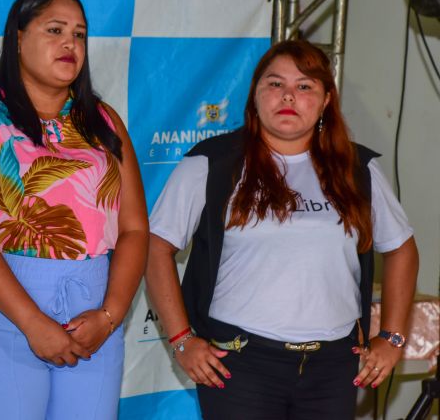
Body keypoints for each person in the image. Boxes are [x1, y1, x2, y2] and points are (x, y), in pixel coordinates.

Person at [145, 39, 419, 419]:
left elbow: (402, 249)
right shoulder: (212, 163)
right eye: (275, 84)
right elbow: (154, 247)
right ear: (255, 96)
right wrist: (181, 340)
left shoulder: (358, 169)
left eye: (305, 86)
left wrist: (392, 338)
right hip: (238, 365)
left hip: (334, 369)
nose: (288, 96)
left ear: (325, 101)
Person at [0, 0, 149, 419]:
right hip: (5, 308)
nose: (70, 44)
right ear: (18, 38)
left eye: (79, 34)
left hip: (95, 317)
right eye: (54, 30)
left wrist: (109, 317)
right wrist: (33, 322)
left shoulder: (105, 122)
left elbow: (133, 230)